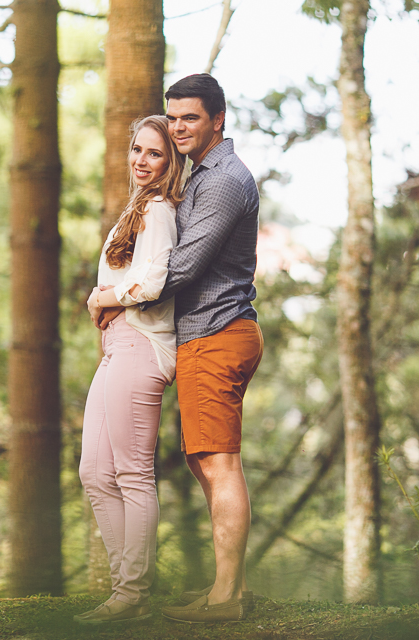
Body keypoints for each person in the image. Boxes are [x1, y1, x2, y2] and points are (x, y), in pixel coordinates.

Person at [147, 73, 264, 624]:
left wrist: (122, 292)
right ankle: (225, 589)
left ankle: (226, 599)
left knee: (219, 464)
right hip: (209, 335)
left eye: (189, 118)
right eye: (172, 118)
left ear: (218, 119)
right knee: (207, 463)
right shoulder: (202, 175)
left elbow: (186, 265)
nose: (178, 128)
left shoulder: (220, 180)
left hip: (217, 332)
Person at [74, 115, 185, 625]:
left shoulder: (159, 208)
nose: (142, 160)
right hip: (117, 346)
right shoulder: (136, 208)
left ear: (170, 162)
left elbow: (156, 280)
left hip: (142, 345)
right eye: (137, 150)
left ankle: (133, 593)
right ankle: (126, 591)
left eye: (155, 153)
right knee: (94, 471)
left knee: (131, 474)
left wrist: (106, 295)